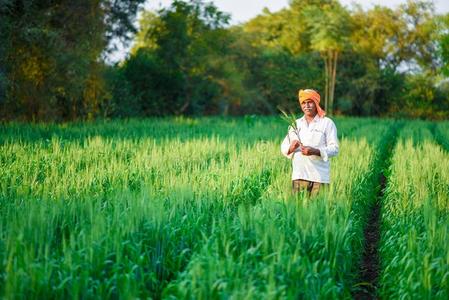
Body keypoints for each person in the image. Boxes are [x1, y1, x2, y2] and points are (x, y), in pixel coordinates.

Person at [280, 89, 339, 197]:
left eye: (310, 102)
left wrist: (315, 151)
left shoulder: (327, 123)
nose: (306, 106)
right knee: (298, 212)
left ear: (316, 103)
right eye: (303, 103)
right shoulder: (296, 124)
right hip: (299, 177)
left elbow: (334, 148)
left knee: (317, 213)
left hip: (319, 178)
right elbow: (284, 147)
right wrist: (291, 148)